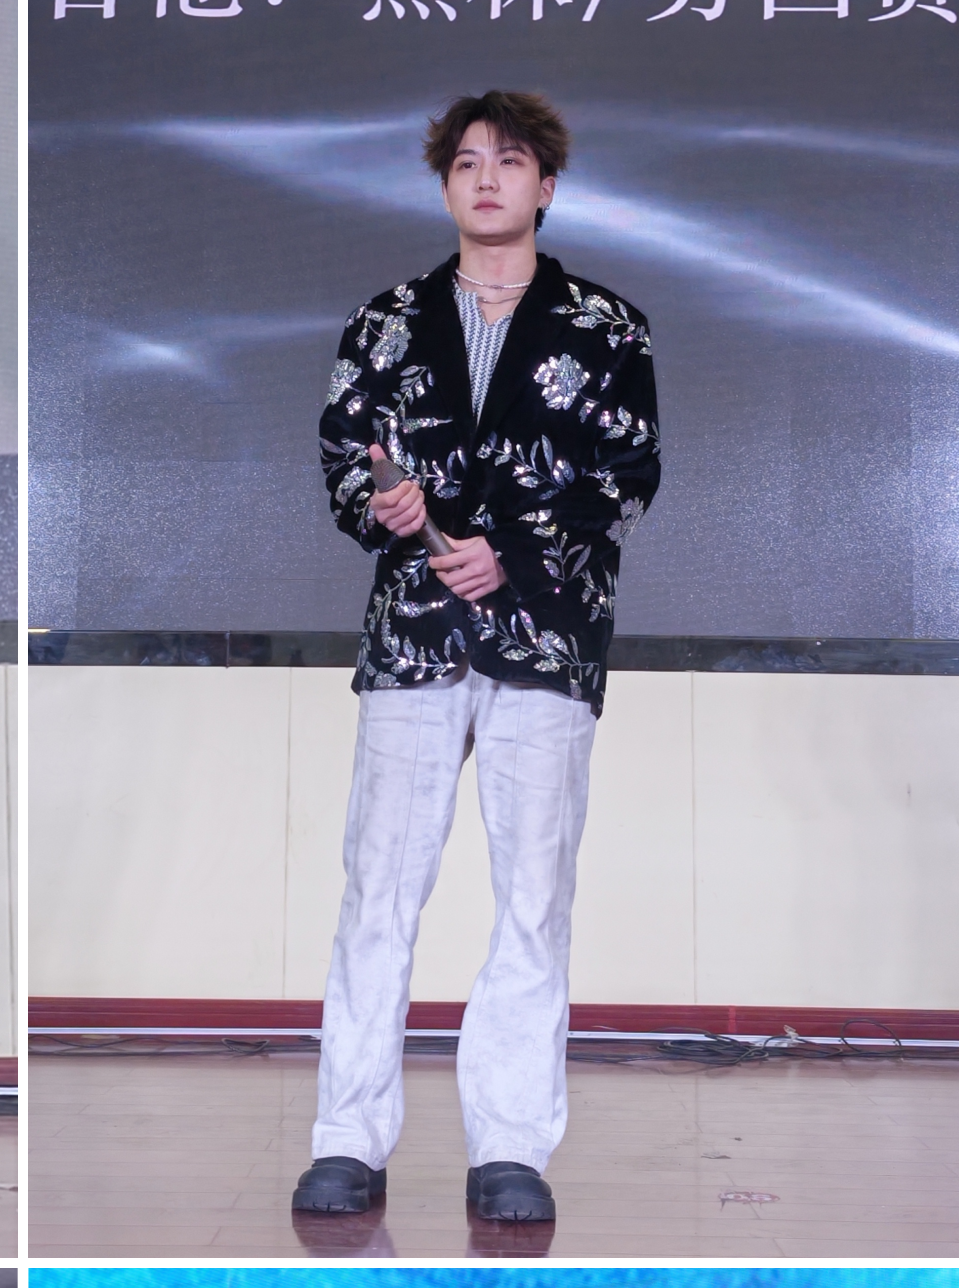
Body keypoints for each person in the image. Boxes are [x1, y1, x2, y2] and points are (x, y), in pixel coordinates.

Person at [295, 92, 660, 1229]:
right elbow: (342, 455)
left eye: (508, 161)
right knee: (377, 892)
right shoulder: (386, 322)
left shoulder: (606, 326)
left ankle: (509, 1145)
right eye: (464, 162)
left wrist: (513, 551)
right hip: (413, 633)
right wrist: (382, 504)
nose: (486, 178)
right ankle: (346, 1139)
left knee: (533, 898)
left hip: (543, 637)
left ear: (546, 185)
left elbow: (627, 477)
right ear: (443, 184)